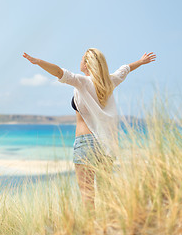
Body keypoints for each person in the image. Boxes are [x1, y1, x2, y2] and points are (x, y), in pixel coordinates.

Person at [23, 48, 156, 212]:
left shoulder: (82, 82)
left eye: (81, 59)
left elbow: (58, 72)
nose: (79, 61)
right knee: (106, 194)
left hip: (85, 143)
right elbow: (125, 69)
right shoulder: (110, 82)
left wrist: (39, 62)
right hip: (105, 145)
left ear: (86, 64)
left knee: (87, 195)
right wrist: (141, 62)